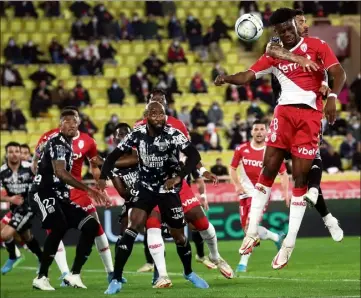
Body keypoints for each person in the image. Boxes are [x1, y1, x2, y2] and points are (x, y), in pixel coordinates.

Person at [215, 8, 346, 269]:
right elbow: (248, 75)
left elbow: (339, 73)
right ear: (276, 32)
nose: (288, 32)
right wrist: (228, 78)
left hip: (309, 119)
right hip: (283, 114)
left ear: (296, 26)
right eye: (282, 30)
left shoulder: (317, 45)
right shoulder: (273, 53)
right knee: (269, 169)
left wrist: (331, 95)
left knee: (301, 177)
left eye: (291, 27)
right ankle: (251, 232)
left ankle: (289, 244)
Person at [99, 102, 209, 294]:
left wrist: (178, 177)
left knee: (179, 236)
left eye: (162, 114)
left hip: (168, 191)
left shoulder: (173, 133)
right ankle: (116, 279)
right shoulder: (137, 133)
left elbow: (194, 155)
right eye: (154, 113)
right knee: (132, 228)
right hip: (146, 189)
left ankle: (189, 273)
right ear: (147, 116)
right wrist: (102, 178)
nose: (159, 117)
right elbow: (112, 156)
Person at [133, 90, 232, 283]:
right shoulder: (137, 128)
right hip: (149, 185)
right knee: (153, 226)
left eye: (162, 101)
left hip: (176, 183)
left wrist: (203, 172)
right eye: (154, 101)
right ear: (147, 106)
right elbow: (130, 156)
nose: (158, 104)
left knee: (200, 222)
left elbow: (190, 153)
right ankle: (162, 276)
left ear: (166, 104)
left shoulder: (177, 125)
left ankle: (214, 256)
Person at [265, 8, 343, 242]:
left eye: (305, 21)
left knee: (307, 166)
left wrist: (328, 90)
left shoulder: (316, 45)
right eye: (301, 21)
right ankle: (326, 215)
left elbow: (328, 73)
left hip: (308, 112)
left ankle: (325, 214)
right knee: (303, 173)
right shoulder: (278, 42)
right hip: (283, 109)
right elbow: (271, 50)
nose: (305, 25)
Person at [33, 106, 115, 286]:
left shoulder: (81, 142)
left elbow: (95, 163)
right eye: (67, 122)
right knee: (58, 227)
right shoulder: (54, 140)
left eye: (74, 121)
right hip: (46, 192)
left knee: (92, 225)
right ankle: (43, 276)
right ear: (60, 125)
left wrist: (107, 174)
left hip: (64, 194)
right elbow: (59, 172)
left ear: (79, 122)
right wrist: (90, 190)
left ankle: (75, 274)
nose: (71, 125)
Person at [230, 120, 289, 272]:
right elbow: (232, 168)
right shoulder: (241, 149)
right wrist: (237, 185)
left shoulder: (272, 151)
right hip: (244, 195)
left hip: (261, 195)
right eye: (256, 129)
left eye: (262, 129)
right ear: (252, 132)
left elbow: (283, 173)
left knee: (251, 227)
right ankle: (276, 237)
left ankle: (243, 263)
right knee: (246, 229)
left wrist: (286, 193)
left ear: (267, 132)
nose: (259, 132)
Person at [0, 142, 43, 275]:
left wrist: (36, 155)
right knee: (27, 236)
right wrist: (10, 199)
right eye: (11, 151)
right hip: (16, 207)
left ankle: (13, 256)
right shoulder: (2, 172)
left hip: (29, 205)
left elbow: (37, 170)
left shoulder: (28, 167)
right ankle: (42, 259)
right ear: (6, 153)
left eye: (17, 151)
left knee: (5, 234)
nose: (14, 154)